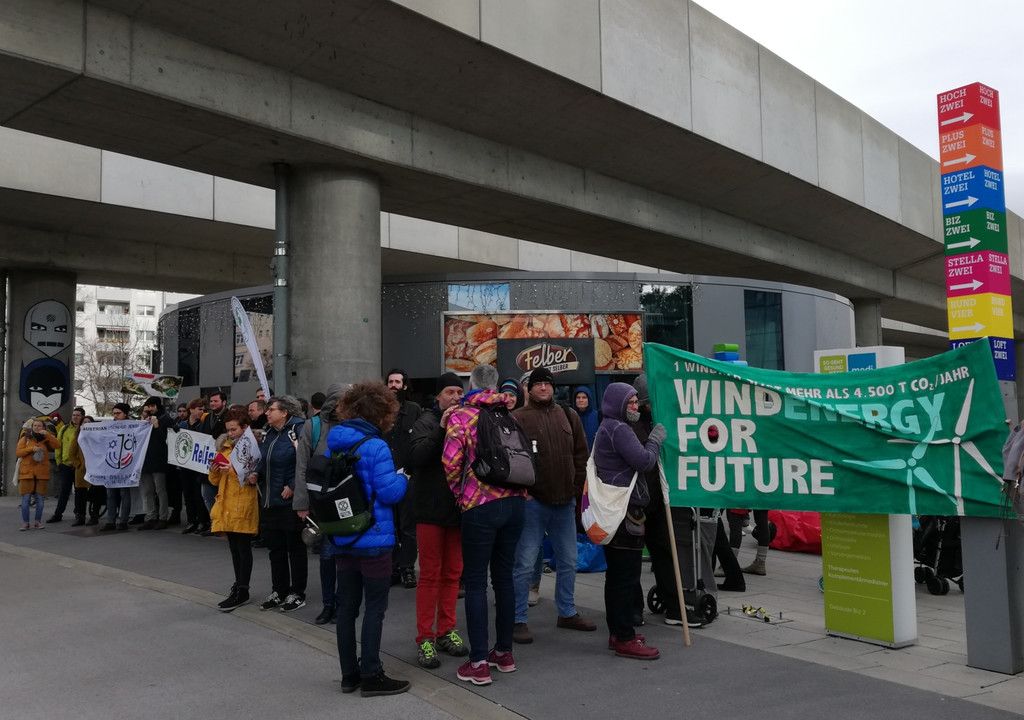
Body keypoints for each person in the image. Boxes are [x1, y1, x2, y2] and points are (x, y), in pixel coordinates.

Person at [443, 364, 528, 686]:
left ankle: (478, 661)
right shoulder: (509, 415)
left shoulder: (462, 415)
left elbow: (451, 462)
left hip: (479, 505)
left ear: (471, 385)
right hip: (515, 502)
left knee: (476, 582)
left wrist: (460, 494)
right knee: (504, 578)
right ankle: (504, 653)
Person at [327, 381, 410, 697]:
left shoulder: (335, 442)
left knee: (346, 607)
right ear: (382, 412)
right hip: (374, 537)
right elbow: (389, 493)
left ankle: (349, 675)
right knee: (375, 607)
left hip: (343, 535)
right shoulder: (376, 446)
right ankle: (372, 675)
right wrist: (403, 478)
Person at [511, 367, 595, 643]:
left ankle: (567, 612)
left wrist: (576, 489)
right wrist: (523, 491)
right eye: (538, 384)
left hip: (565, 501)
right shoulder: (518, 418)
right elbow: (511, 459)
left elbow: (581, 455)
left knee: (569, 560)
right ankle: (518, 618)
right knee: (524, 563)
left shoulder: (568, 415)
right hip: (533, 503)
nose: (543, 388)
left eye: (547, 383)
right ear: (530, 389)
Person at [592, 382, 666, 659]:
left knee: (616, 576)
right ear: (618, 404)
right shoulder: (619, 429)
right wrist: (655, 440)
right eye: (631, 402)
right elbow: (644, 461)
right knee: (625, 576)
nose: (636, 406)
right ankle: (625, 636)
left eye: (636, 401)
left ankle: (618, 631)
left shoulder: (606, 426)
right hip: (625, 513)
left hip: (615, 512)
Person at [407, 372, 469, 669]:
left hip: (456, 510)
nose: (456, 397)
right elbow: (416, 457)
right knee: (430, 574)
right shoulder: (426, 421)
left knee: (453, 573)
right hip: (429, 509)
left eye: (459, 392)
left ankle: (446, 630)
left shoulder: (466, 420)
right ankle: (425, 637)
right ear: (438, 397)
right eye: (450, 392)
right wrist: (441, 428)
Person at [292, 383, 347, 625]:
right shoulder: (313, 426)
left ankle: (343, 603)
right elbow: (302, 466)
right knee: (327, 556)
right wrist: (302, 503)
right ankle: (328, 604)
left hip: (347, 501)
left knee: (345, 557)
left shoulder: (354, 424)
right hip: (321, 500)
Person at [248, 395, 307, 613]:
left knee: (295, 549)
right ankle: (279, 590)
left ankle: (297, 593)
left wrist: (292, 485)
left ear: (284, 412)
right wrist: (256, 472)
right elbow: (265, 459)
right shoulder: (270, 432)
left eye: (271, 409)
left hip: (289, 501)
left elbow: (305, 461)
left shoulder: (298, 430)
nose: (267, 413)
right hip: (270, 499)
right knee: (276, 549)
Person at [208, 408, 260, 611]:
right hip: (227, 504)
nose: (230, 433)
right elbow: (214, 481)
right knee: (234, 549)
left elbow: (250, 477)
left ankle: (243, 589)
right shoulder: (225, 448)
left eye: (234, 429)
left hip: (243, 503)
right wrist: (214, 470)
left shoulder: (252, 447)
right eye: (228, 430)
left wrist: (230, 470)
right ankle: (238, 585)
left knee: (243, 549)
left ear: (244, 428)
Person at [384, 368, 421, 588]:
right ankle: (393, 567)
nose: (394, 385)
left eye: (398, 382)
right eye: (391, 381)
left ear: (405, 385)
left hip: (407, 475)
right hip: (384, 475)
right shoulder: (380, 409)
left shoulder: (414, 410)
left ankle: (407, 568)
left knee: (407, 525)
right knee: (389, 523)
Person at [16, 418, 60, 530]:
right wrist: (31, 449)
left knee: (40, 499)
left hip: (41, 473)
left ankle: (37, 522)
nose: (37, 427)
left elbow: (57, 445)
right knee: (26, 499)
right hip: (27, 473)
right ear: (32, 427)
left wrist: (48, 435)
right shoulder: (25, 438)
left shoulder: (47, 438)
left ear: (43, 427)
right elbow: (18, 452)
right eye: (35, 425)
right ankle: (25, 523)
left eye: (39, 426)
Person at [138, 396, 174, 530]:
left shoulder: (166, 419)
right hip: (146, 460)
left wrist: (157, 426)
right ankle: (150, 516)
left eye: (152, 406)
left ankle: (163, 517)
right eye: (148, 407)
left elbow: (167, 440)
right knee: (147, 491)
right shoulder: (145, 420)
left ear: (157, 406)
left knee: (160, 491)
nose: (150, 409)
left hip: (159, 460)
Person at [100, 403, 133, 532]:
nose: (115, 416)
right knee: (110, 494)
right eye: (114, 413)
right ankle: (110, 521)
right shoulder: (109, 426)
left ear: (125, 414)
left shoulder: (133, 426)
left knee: (124, 493)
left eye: (118, 413)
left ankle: (123, 520)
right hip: (111, 465)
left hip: (126, 465)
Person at [180, 399, 212, 534]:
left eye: (203, 409)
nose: (202, 411)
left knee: (198, 494)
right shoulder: (182, 424)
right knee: (188, 494)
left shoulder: (203, 424)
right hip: (185, 465)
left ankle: (202, 521)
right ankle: (191, 520)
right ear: (191, 409)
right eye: (199, 409)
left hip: (198, 465)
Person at [47, 407, 84, 523]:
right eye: (74, 415)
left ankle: (79, 515)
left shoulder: (85, 429)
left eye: (78, 415)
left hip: (79, 466)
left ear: (82, 417)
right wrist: (59, 462)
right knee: (64, 491)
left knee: (80, 491)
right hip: (66, 465)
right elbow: (58, 446)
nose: (75, 417)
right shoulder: (64, 429)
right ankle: (58, 514)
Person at [68, 415, 106, 526]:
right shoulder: (77, 436)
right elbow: (71, 453)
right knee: (80, 494)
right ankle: (80, 517)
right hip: (82, 471)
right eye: (84, 422)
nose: (87, 424)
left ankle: (94, 516)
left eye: (89, 422)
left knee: (96, 494)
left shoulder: (98, 437)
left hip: (96, 470)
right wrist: (78, 465)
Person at [574, 386, 599, 450]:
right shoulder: (571, 417)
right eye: (578, 397)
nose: (581, 400)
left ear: (589, 399)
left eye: (584, 397)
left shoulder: (597, 416)